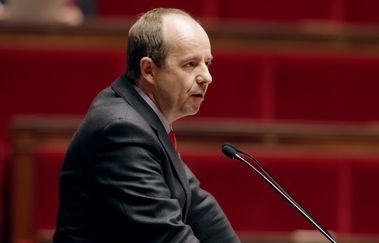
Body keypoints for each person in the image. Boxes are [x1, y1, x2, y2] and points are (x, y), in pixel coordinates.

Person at [53, 7, 241, 243]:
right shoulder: (122, 130)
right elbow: (165, 235)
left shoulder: (143, 118)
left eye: (207, 63)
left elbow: (199, 207)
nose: (207, 76)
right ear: (149, 70)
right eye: (190, 64)